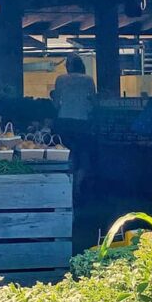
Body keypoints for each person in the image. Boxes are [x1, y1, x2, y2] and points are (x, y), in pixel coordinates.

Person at [52, 54, 96, 197]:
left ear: (68, 67)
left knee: (66, 154)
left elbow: (56, 102)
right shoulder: (89, 80)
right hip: (83, 122)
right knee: (83, 154)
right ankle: (77, 185)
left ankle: (67, 184)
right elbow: (92, 102)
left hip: (64, 120)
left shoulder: (61, 80)